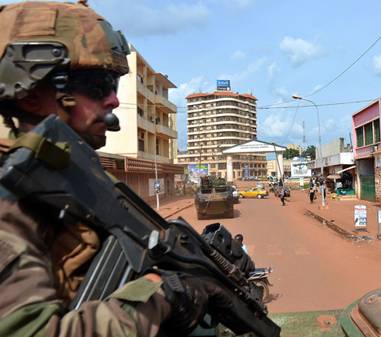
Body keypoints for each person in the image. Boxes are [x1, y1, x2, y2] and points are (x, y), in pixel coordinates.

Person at [0, 2, 229, 336]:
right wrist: (158, 295)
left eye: (114, 85)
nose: (112, 100)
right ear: (32, 92)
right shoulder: (12, 197)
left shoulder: (70, 176)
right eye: (97, 85)